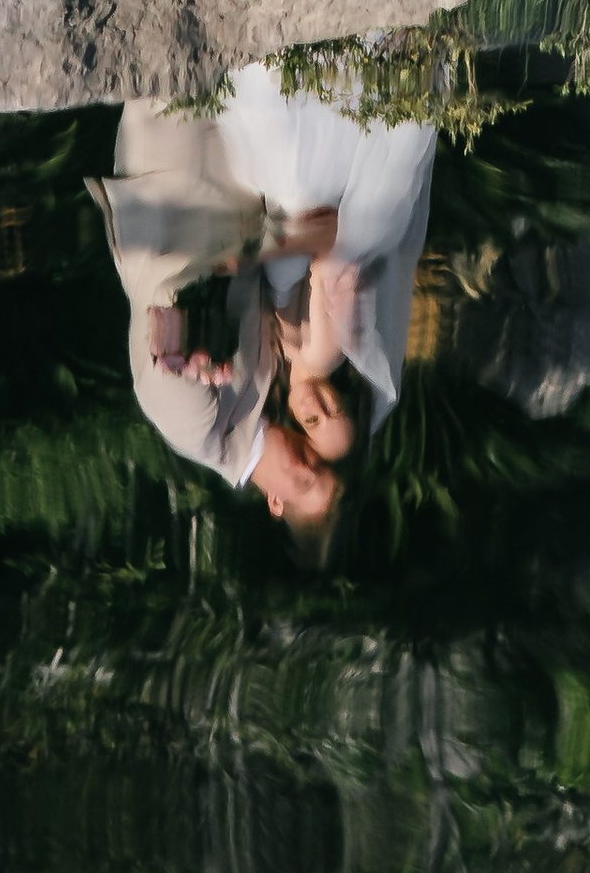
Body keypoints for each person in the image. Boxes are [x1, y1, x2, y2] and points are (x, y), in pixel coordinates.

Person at [88, 67, 438, 552]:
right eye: (319, 465)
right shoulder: (263, 401)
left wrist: (187, 346)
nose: (305, 460)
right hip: (225, 155)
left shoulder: (199, 428)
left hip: (177, 165)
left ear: (275, 503)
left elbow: (168, 306)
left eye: (304, 480)